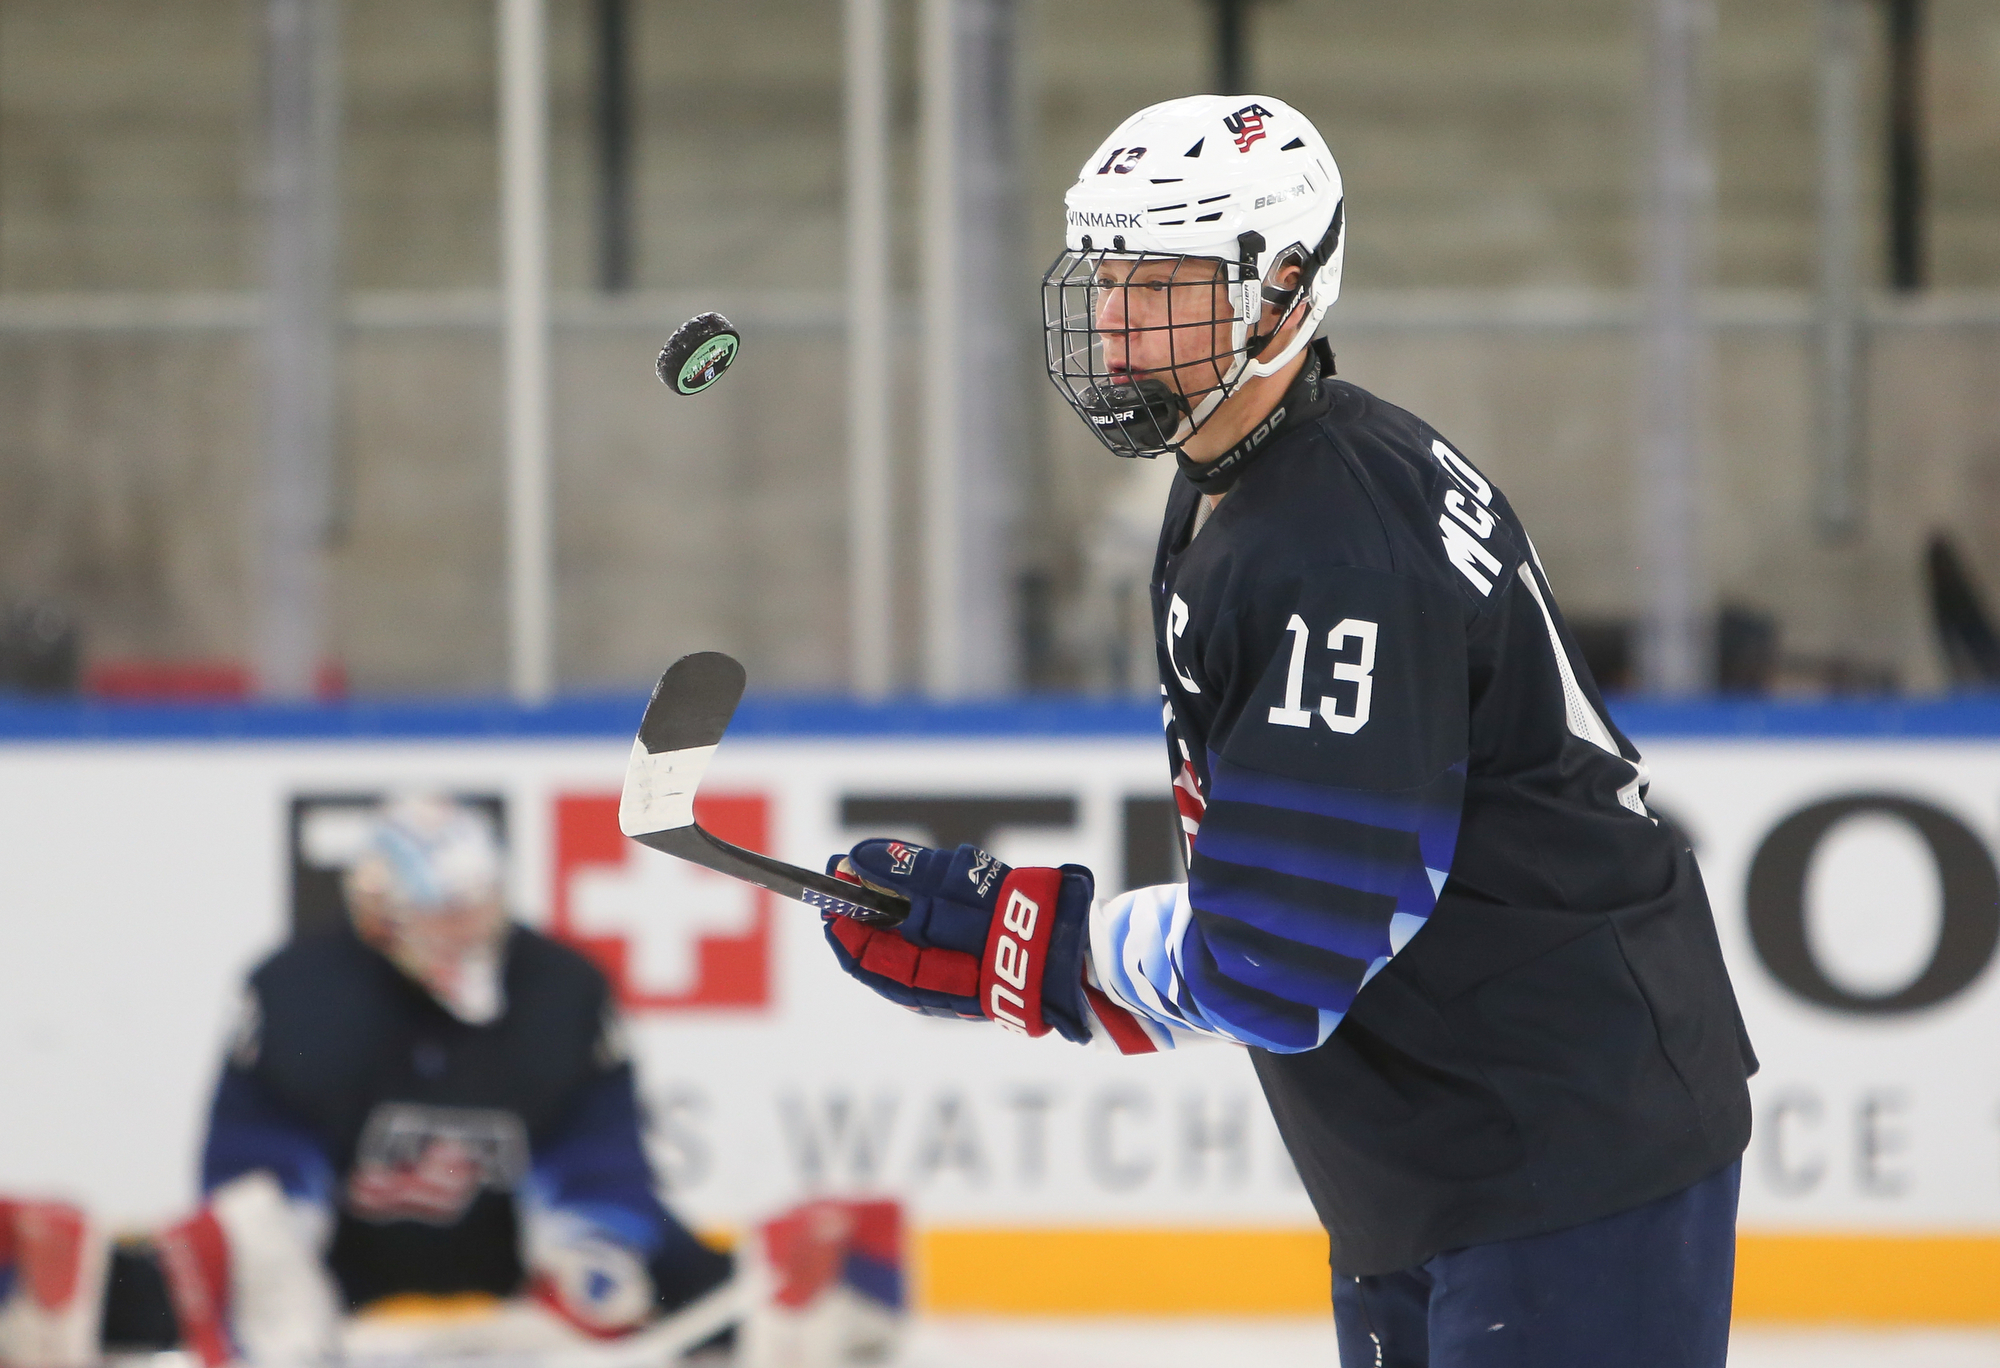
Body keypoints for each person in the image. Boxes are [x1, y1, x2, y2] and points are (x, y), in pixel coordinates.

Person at [820, 94, 1756, 1368]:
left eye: (1160, 284)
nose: (1113, 320)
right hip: (1433, 1145)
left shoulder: (1330, 551)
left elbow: (1280, 958)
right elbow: (1276, 934)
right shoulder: (1249, 478)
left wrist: (1032, 944)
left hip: (1559, 1151)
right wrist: (1043, 959)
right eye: (1107, 277)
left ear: (1278, 293)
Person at [5, 794, 899, 1368]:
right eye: (443, 913)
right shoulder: (298, 993)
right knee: (205, 1274)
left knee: (674, 1288)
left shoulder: (560, 989)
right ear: (379, 915)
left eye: (481, 906)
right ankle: (45, 1278)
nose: (471, 932)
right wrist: (270, 1249)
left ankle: (824, 1286)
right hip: (339, 1250)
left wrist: (592, 1247)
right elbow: (254, 1146)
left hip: (509, 1244)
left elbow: (599, 1146)